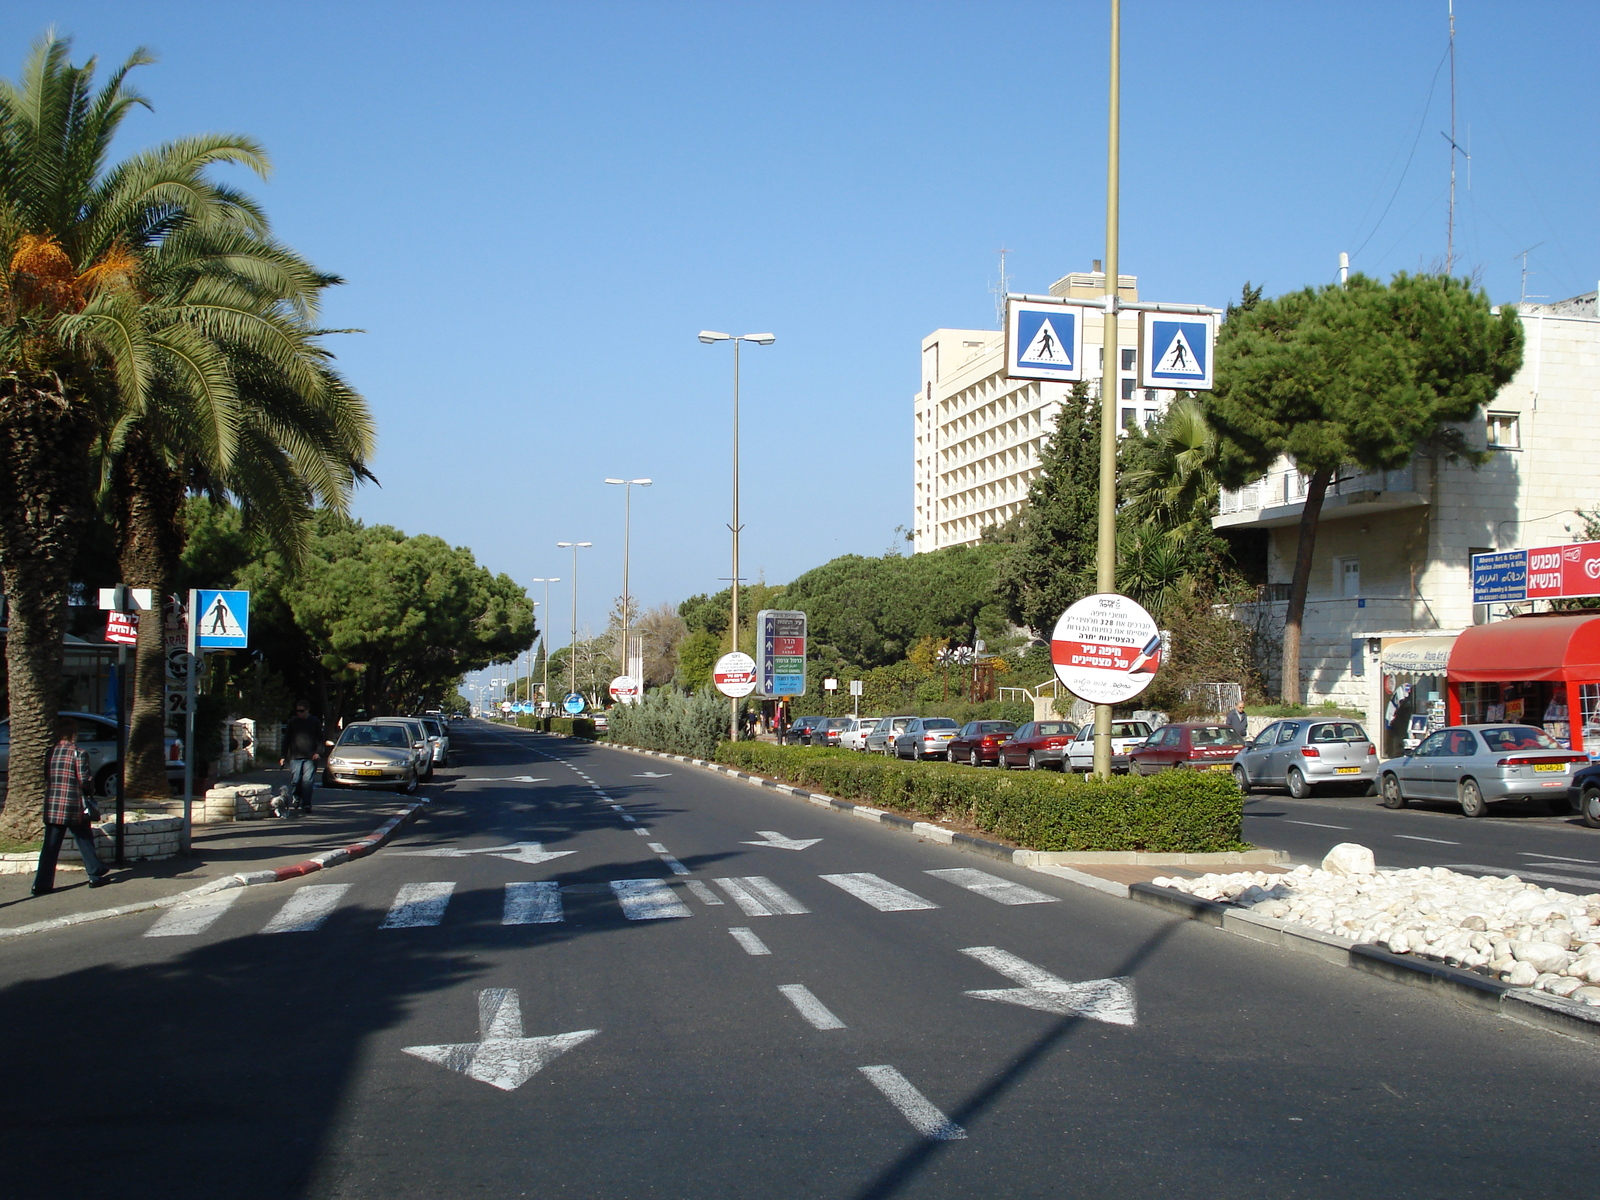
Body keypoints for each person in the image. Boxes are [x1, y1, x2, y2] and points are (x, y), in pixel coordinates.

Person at [33, 717, 110, 895]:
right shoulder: (78, 753)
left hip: (53, 804)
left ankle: (41, 884)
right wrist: (91, 789)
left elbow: (47, 776)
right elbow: (84, 780)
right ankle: (95, 875)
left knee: (50, 846)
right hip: (74, 804)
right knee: (84, 839)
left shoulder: (50, 752)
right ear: (73, 734)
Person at [280, 701, 324, 815]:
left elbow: (321, 739)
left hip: (310, 757)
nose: (299, 713)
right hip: (295, 756)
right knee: (296, 780)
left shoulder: (314, 722)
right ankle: (296, 797)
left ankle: (306, 804)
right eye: (297, 711)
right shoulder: (292, 722)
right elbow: (286, 740)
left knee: (308, 781)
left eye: (301, 711)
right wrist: (283, 756)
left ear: (307, 710)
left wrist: (318, 752)